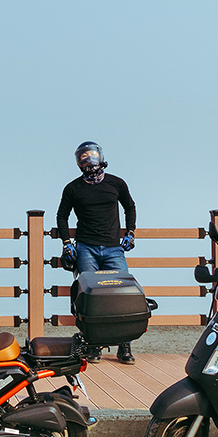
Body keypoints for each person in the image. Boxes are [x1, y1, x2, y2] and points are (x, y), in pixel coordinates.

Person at [56, 140, 138, 364]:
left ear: (100, 157)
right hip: (85, 248)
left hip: (113, 248)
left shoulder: (116, 183)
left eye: (91, 156)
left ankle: (124, 346)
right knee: (90, 298)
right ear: (78, 162)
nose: (88, 161)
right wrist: (66, 243)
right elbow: (61, 216)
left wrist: (130, 232)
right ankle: (93, 345)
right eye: (83, 158)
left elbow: (130, 207)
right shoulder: (73, 188)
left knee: (123, 294)